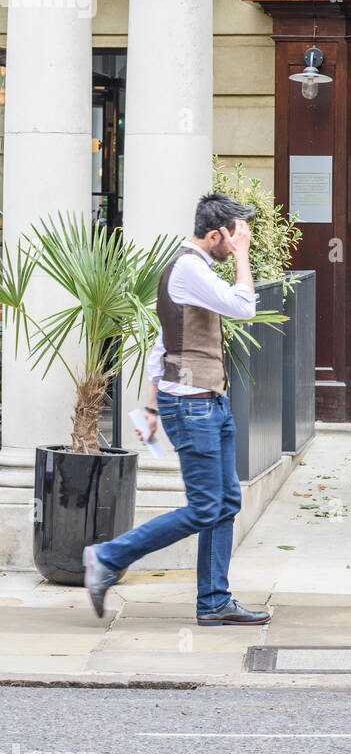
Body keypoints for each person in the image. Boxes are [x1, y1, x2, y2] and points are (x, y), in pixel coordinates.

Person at [83, 192, 271, 627]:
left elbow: (162, 345)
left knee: (225, 501)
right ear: (216, 234)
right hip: (192, 407)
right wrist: (243, 258)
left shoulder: (192, 269)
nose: (239, 243)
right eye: (235, 237)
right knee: (206, 507)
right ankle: (106, 557)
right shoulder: (188, 267)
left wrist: (149, 407)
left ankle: (214, 602)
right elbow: (244, 307)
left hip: (207, 402)